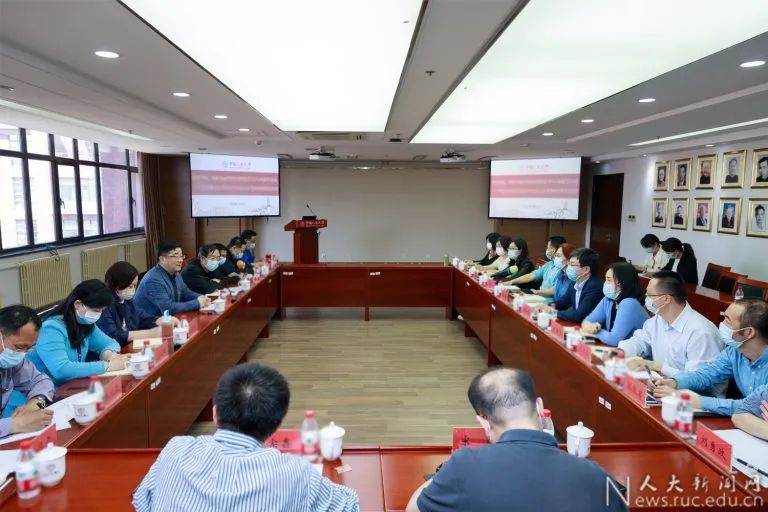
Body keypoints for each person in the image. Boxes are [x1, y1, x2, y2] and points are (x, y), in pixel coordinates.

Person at [132, 363, 359, 512]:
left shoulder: (176, 450)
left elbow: (141, 501)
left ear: (215, 412)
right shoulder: (294, 473)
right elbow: (349, 506)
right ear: (276, 426)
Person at [404, 367, 627, 512]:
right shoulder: (596, 476)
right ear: (539, 407)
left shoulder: (463, 466)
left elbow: (413, 509)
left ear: (484, 423)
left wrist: (444, 474)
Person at [653, 299, 768, 416]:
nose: (722, 324)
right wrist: (674, 382)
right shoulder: (733, 352)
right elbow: (707, 375)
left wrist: (691, 400)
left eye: (727, 320)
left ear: (748, 332)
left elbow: (750, 406)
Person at [606, 271, 722, 378]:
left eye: (649, 295)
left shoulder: (701, 332)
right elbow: (640, 340)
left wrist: (656, 366)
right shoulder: (658, 319)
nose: (646, 298)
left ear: (666, 299)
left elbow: (695, 379)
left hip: (693, 392)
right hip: (663, 385)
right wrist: (622, 351)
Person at [28, 280, 128, 386]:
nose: (99, 315)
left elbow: (110, 343)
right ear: (78, 304)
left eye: (101, 311)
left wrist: (110, 355)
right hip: (42, 391)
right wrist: (107, 366)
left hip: (71, 385)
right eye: (96, 310)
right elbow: (61, 370)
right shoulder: (51, 328)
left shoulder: (84, 323)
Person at [0, 305, 54, 438]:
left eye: (29, 348)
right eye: (19, 347)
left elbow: (40, 381)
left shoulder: (10, 361)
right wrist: (16, 424)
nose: (22, 354)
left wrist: (35, 404)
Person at [98, 261, 171, 348]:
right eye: (130, 286)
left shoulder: (128, 301)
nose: (132, 290)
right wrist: (149, 333)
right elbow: (113, 335)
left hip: (126, 347)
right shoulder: (103, 305)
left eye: (135, 286)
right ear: (118, 285)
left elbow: (142, 317)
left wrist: (160, 320)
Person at [134, 240, 210, 318]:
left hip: (168, 320)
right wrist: (197, 303)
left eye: (181, 256)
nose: (180, 260)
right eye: (175, 256)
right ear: (162, 259)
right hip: (149, 322)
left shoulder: (175, 273)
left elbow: (186, 293)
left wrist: (203, 298)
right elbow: (168, 309)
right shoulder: (153, 280)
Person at [581, 263, 649, 347]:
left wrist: (594, 330)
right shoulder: (608, 299)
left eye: (609, 280)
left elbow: (614, 340)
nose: (605, 283)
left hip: (635, 354)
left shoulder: (629, 304)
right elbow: (587, 322)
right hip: (617, 350)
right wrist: (589, 327)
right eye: (605, 279)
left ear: (621, 283)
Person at [507, 236, 566, 303]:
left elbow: (555, 290)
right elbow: (531, 275)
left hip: (550, 302)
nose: (546, 250)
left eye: (547, 247)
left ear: (553, 250)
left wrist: (535, 292)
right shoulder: (548, 265)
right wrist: (511, 281)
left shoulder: (562, 269)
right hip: (538, 298)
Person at [552, 248, 603, 323]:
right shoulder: (574, 282)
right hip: (578, 325)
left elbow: (578, 316)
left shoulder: (595, 287)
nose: (568, 267)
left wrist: (552, 313)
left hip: (590, 326)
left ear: (586, 269)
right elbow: (562, 303)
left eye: (572, 264)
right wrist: (546, 307)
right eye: (568, 263)